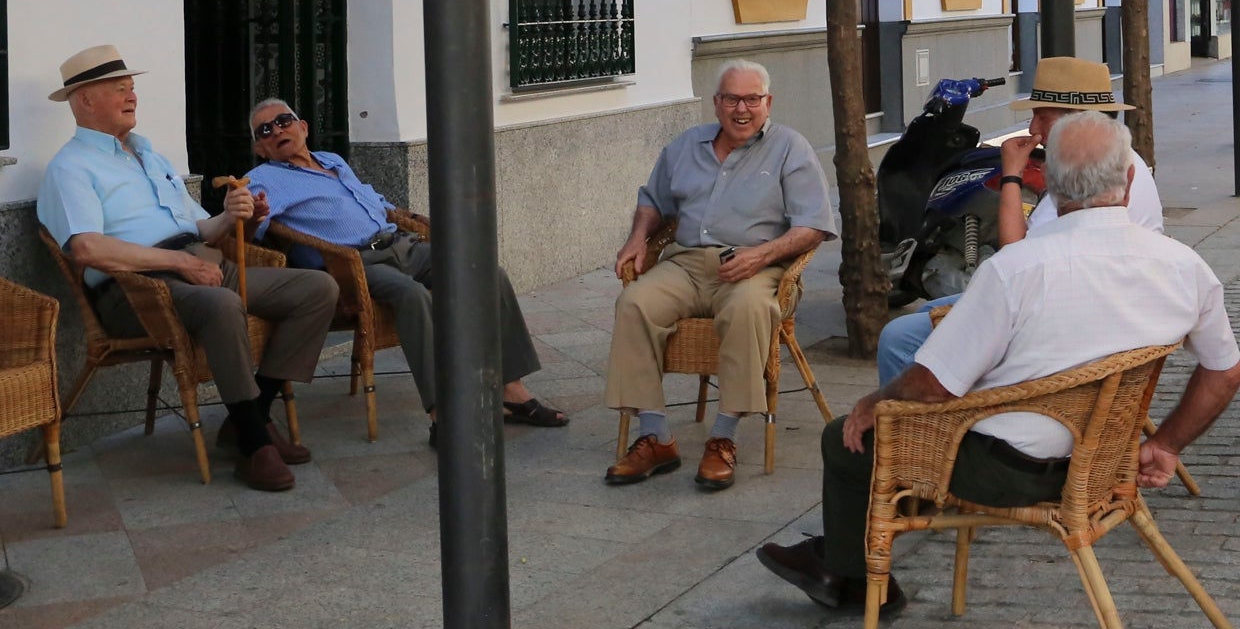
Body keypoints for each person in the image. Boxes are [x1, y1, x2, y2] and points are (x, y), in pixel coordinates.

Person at [756, 111, 1240, 618]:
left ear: (1050, 184)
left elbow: (934, 385)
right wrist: (1165, 445)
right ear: (1131, 178)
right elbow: (1225, 370)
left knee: (845, 437)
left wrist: (873, 402)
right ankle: (846, 560)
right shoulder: (1184, 266)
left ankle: (851, 579)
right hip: (1105, 464)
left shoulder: (1016, 268)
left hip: (1010, 472)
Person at [38, 44, 339, 493]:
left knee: (317, 289)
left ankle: (247, 419)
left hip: (202, 265)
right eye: (119, 89)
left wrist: (234, 215)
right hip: (136, 289)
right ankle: (256, 445)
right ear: (84, 100)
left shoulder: (151, 156)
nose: (132, 96)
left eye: (132, 87)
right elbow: (87, 248)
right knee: (219, 304)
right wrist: (177, 260)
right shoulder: (70, 167)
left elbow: (197, 224)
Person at [243, 98, 568, 448]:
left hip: (400, 244)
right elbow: (243, 231)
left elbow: (376, 203)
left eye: (283, 121)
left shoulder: (331, 161)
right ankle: (441, 414)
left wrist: (410, 218)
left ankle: (511, 391)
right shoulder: (264, 179)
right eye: (265, 130)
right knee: (412, 295)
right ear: (260, 148)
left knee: (486, 274)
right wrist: (252, 216)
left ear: (303, 126)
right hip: (353, 264)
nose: (277, 130)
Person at [603, 59, 838, 491]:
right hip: (688, 264)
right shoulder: (685, 146)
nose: (741, 109)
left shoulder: (791, 148)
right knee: (633, 303)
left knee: (749, 309)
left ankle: (724, 438)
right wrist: (639, 236)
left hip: (756, 268)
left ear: (768, 103)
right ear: (716, 103)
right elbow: (652, 200)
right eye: (731, 98)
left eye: (752, 99)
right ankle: (656, 437)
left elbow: (815, 225)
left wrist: (762, 255)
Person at [876, 57, 1165, 386]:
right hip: (1101, 310)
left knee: (898, 338)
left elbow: (1014, 260)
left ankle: (911, 429)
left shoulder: (1083, 173)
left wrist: (1011, 173)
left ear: (1078, 122)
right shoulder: (1123, 160)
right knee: (934, 313)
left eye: (1042, 116)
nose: (1032, 129)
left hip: (1063, 321)